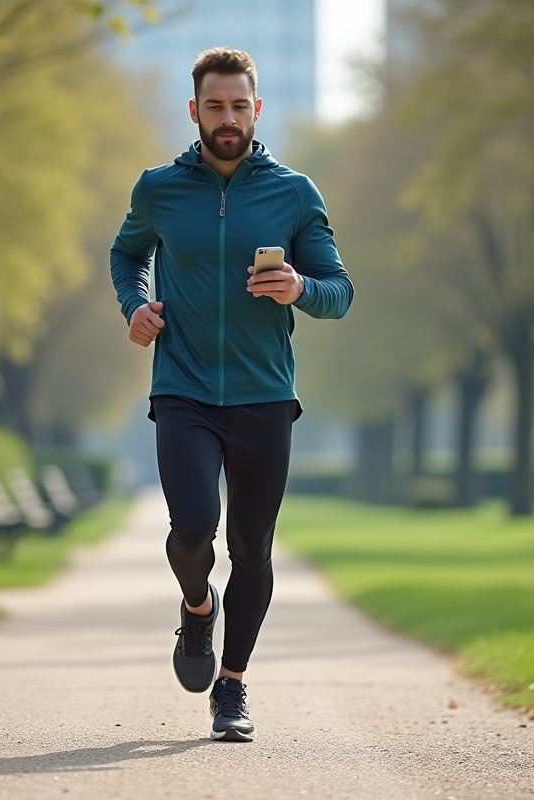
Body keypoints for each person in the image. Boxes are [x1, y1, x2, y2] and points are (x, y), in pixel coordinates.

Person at [109, 47, 353, 742]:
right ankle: (195, 608)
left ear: (257, 109)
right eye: (214, 106)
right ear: (195, 111)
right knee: (192, 531)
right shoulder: (159, 189)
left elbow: (340, 291)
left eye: (239, 105)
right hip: (182, 389)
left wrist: (301, 288)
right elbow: (126, 254)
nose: (227, 118)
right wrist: (136, 303)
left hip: (263, 396)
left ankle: (233, 686)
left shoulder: (294, 193)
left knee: (253, 547)